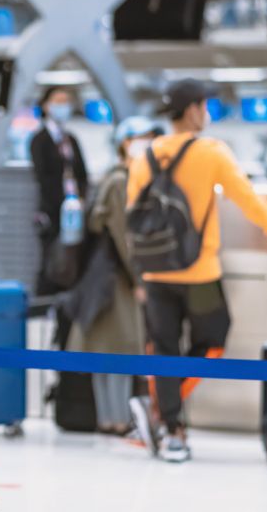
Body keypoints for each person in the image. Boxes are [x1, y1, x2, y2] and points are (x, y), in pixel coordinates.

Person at [127, 79, 267, 463]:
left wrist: (138, 273)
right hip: (198, 273)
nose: (206, 113)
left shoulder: (144, 156)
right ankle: (160, 413)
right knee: (214, 338)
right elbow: (249, 201)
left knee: (164, 350)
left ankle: (170, 428)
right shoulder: (212, 153)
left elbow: (132, 219)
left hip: (154, 274)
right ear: (192, 110)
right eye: (204, 106)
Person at [65, 117, 159, 437]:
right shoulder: (120, 182)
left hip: (103, 279)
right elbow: (123, 236)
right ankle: (117, 419)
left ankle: (109, 418)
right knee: (119, 351)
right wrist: (139, 279)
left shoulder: (113, 178)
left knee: (104, 353)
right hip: (116, 280)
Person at [30, 86, 89, 296]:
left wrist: (79, 198)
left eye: (66, 101)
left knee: (72, 255)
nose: (62, 106)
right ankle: (45, 302)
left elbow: (82, 173)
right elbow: (43, 177)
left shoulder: (70, 139)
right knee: (51, 257)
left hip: (74, 209)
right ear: (46, 105)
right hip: (53, 209)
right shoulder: (40, 140)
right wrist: (58, 203)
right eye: (58, 101)